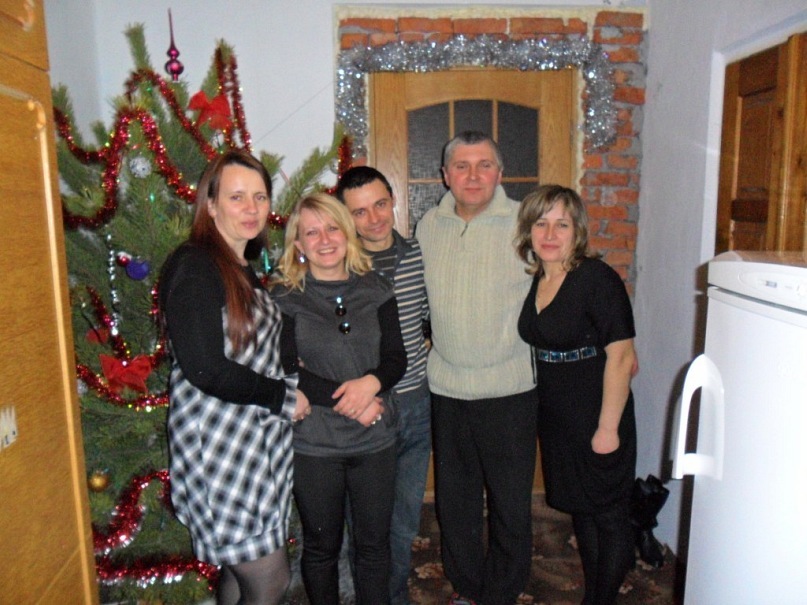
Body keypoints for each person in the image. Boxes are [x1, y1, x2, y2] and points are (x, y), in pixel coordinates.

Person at [159, 150, 310, 605]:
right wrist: (283, 397)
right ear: (210, 205)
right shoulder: (195, 264)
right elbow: (206, 367)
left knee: (239, 569)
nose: (251, 208)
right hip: (219, 448)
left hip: (252, 445)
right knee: (270, 579)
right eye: (237, 197)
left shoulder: (241, 266)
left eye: (260, 197)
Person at [416, 131, 536, 605]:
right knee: (455, 502)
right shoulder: (429, 226)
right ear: (445, 175)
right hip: (447, 389)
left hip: (510, 389)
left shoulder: (527, 222)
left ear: (499, 173)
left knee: (510, 504)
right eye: (461, 166)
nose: (472, 175)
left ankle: (503, 592)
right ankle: (467, 587)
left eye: (484, 165)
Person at [271, 192, 407, 605]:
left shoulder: (377, 288)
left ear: (347, 233)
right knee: (321, 548)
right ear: (298, 244)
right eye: (312, 232)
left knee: (373, 546)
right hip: (315, 445)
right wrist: (354, 400)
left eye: (333, 228)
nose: (325, 239)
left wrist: (371, 384)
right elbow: (286, 367)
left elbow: (396, 358)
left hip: (374, 439)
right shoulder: (284, 297)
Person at [515, 185, 637, 605]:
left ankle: (603, 599)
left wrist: (608, 428)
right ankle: (594, 595)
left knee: (609, 515)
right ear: (529, 231)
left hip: (597, 411)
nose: (550, 234)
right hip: (557, 417)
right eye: (541, 223)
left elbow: (622, 357)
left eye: (561, 225)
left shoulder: (595, 278)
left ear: (577, 230)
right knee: (583, 510)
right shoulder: (537, 278)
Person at [335, 166, 431, 605]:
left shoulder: (418, 257)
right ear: (346, 216)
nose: (374, 219)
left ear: (393, 200)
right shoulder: (339, 267)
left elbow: (429, 317)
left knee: (404, 520)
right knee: (366, 524)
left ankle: (394, 596)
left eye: (380, 205)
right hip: (365, 409)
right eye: (360, 212)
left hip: (415, 403)